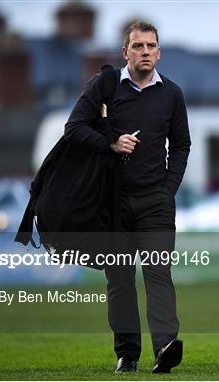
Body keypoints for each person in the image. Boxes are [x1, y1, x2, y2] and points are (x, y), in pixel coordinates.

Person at [65, 21, 191, 374]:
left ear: (159, 51)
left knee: (158, 273)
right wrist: (111, 142)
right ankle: (127, 353)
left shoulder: (172, 93)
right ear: (125, 52)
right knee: (120, 280)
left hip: (156, 201)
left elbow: (182, 145)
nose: (145, 52)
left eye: (151, 46)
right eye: (138, 46)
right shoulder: (103, 87)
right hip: (112, 203)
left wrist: (168, 190)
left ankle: (165, 346)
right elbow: (73, 129)